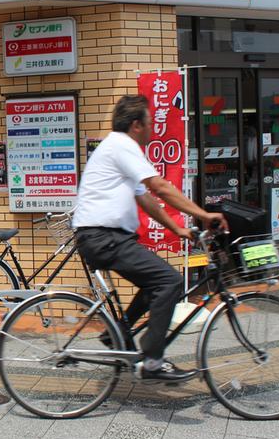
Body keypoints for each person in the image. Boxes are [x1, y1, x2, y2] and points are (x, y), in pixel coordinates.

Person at [74, 95, 227, 382]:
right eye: (148, 123)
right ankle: (153, 361)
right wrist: (204, 215)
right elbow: (160, 186)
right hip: (103, 237)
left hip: (106, 237)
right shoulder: (122, 146)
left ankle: (117, 333)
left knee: (153, 282)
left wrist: (178, 228)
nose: (152, 129)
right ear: (136, 125)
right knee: (168, 281)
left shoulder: (119, 148)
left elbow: (146, 199)